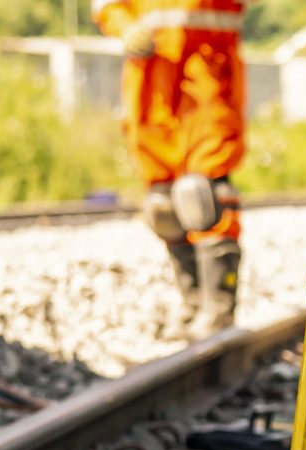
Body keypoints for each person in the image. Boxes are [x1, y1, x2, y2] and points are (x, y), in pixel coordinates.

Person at [93, 0, 247, 337]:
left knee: (204, 195)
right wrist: (123, 26)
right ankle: (192, 303)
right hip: (151, 74)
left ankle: (219, 309)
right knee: (162, 205)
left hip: (207, 71)